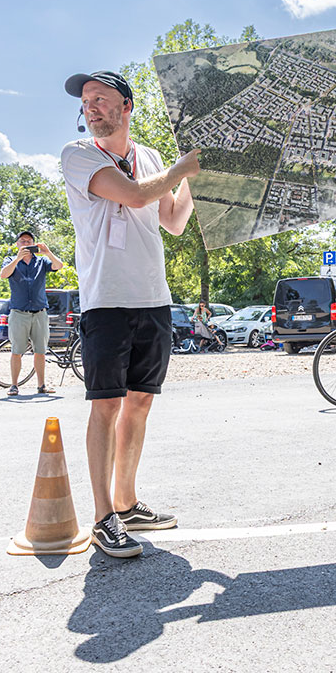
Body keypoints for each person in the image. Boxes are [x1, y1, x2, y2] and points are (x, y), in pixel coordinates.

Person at [60, 70, 200, 558]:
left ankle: (127, 500)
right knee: (106, 405)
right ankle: (102, 518)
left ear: (127, 105)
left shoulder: (152, 158)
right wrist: (183, 169)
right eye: (85, 102)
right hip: (106, 300)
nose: (91, 107)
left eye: (101, 98)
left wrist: (199, 180)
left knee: (140, 403)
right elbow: (136, 195)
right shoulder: (77, 155)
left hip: (152, 298)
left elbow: (173, 221)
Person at [0, 230, 63, 395]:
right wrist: (18, 258)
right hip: (19, 313)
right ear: (17, 244)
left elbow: (58, 266)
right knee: (16, 351)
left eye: (29, 241)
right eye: (22, 241)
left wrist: (48, 252)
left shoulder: (41, 261)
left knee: (40, 351)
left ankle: (41, 386)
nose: (26, 243)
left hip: (40, 312)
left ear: (34, 244)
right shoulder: (10, 261)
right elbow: (3, 275)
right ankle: (14, 385)